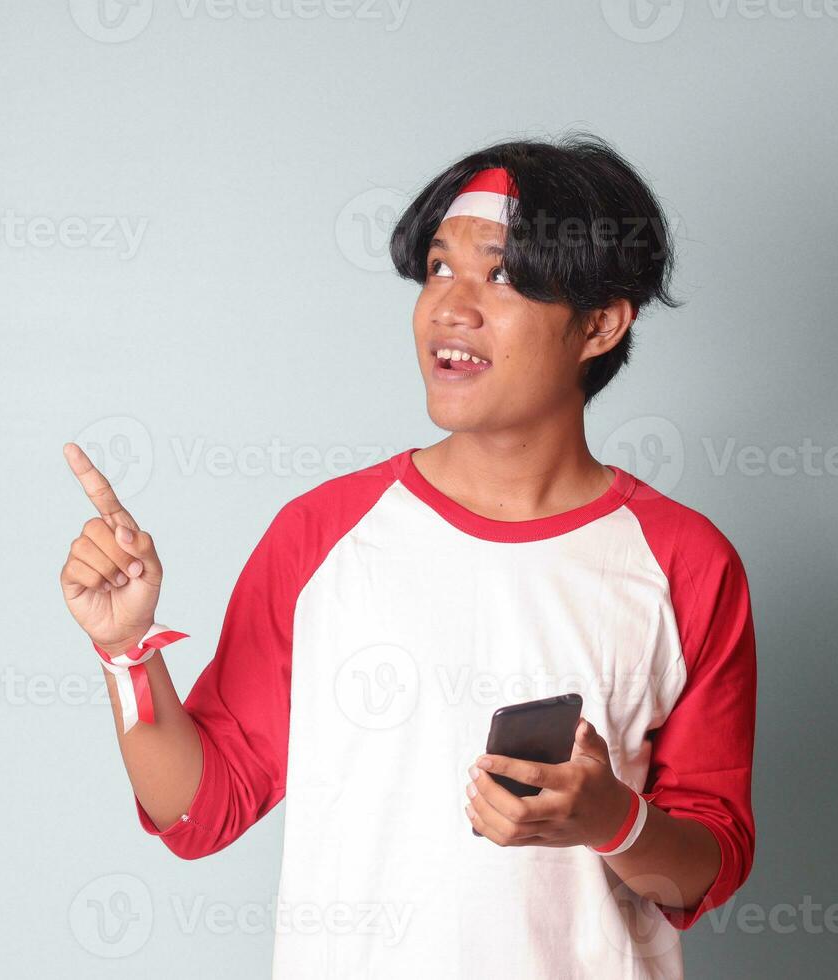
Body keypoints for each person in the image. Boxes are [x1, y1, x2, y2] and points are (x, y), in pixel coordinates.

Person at [58, 132, 756, 979]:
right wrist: (127, 650)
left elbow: (702, 872)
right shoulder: (320, 536)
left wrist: (609, 817)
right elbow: (199, 810)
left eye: (499, 273)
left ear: (600, 324)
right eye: (437, 268)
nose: (448, 307)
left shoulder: (686, 564)